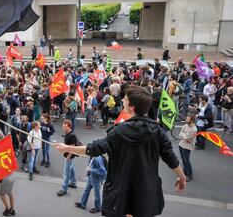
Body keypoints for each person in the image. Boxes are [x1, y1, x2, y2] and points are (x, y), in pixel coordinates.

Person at [55, 85, 186, 217]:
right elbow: (171, 159)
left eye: (125, 99)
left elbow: (94, 149)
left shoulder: (119, 131)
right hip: (146, 192)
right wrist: (182, 177)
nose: (122, 100)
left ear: (132, 106)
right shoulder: (158, 132)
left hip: (120, 191)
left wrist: (67, 148)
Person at [56, 119, 77, 197]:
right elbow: (66, 145)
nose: (63, 128)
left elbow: (72, 148)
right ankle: (73, 183)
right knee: (71, 169)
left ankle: (64, 189)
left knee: (66, 173)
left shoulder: (72, 136)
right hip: (68, 156)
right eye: (63, 126)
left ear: (69, 127)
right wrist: (58, 144)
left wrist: (68, 157)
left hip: (69, 156)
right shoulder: (67, 133)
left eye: (65, 127)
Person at [178, 114, 197, 182]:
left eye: (188, 119)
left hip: (187, 146)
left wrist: (185, 136)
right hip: (182, 144)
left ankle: (189, 174)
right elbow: (180, 134)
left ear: (192, 120)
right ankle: (185, 170)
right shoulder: (185, 125)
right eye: (187, 119)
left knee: (186, 160)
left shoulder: (194, 129)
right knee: (183, 159)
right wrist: (185, 136)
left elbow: (187, 137)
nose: (186, 120)